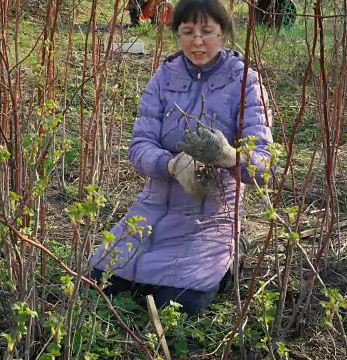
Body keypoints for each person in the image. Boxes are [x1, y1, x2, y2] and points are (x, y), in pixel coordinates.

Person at [89, 0, 274, 315]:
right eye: (187, 32)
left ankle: (234, 249)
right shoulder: (164, 76)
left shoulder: (245, 82)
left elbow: (263, 163)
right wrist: (171, 165)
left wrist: (230, 157)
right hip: (154, 204)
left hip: (211, 214)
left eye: (207, 31)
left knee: (177, 305)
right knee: (100, 283)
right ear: (177, 34)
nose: (197, 41)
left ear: (224, 33)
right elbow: (140, 146)